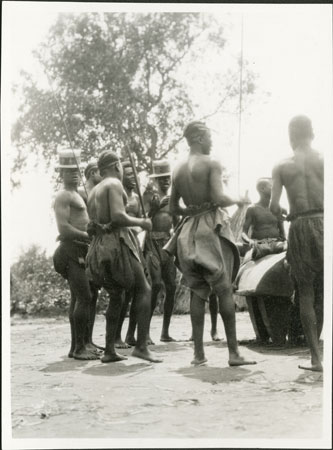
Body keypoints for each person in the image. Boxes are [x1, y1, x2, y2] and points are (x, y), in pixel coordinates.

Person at [168, 120, 256, 366]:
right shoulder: (211, 163)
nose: (211, 141)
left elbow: (173, 207)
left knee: (198, 291)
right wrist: (237, 199)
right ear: (198, 137)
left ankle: (198, 355)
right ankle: (234, 353)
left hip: (187, 232)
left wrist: (193, 209)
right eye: (208, 136)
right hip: (209, 228)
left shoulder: (177, 170)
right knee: (224, 288)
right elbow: (218, 197)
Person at [86, 150, 162, 363]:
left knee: (116, 295)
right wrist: (142, 223)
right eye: (120, 165)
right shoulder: (114, 184)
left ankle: (109, 351)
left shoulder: (93, 190)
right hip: (117, 243)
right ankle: (140, 347)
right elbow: (118, 217)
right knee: (144, 289)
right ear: (117, 166)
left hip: (99, 246)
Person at [270, 115, 323, 372]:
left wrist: (285, 213)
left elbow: (273, 207)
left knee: (306, 292)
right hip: (326, 222)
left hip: (300, 225)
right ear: (312, 133)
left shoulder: (282, 165)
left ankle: (315, 359)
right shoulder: (326, 159)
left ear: (291, 135)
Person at [53, 149, 99, 360]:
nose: (73, 174)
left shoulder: (79, 194)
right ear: (61, 172)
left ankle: (80, 345)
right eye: (68, 170)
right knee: (84, 296)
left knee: (81, 297)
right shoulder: (62, 196)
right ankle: (79, 348)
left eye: (76, 170)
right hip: (71, 249)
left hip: (83, 249)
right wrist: (86, 235)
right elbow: (63, 228)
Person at [144, 160, 178, 343]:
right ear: (155, 180)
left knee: (171, 287)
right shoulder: (149, 196)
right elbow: (143, 220)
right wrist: (156, 207)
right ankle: (146, 332)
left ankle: (165, 332)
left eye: (167, 178)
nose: (165, 181)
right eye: (161, 178)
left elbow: (178, 222)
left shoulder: (174, 198)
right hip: (151, 243)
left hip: (167, 243)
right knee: (156, 285)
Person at [115, 160, 143, 349]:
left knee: (138, 290)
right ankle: (116, 336)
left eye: (134, 173)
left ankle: (131, 334)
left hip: (135, 243)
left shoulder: (137, 198)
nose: (132, 177)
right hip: (120, 243)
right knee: (122, 292)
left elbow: (141, 220)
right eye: (128, 174)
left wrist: (138, 227)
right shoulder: (118, 194)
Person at [78, 160, 104, 352]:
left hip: (93, 244)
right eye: (100, 173)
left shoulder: (97, 193)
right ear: (93, 172)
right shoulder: (80, 192)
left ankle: (89, 339)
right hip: (81, 245)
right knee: (83, 295)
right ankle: (79, 343)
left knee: (94, 293)